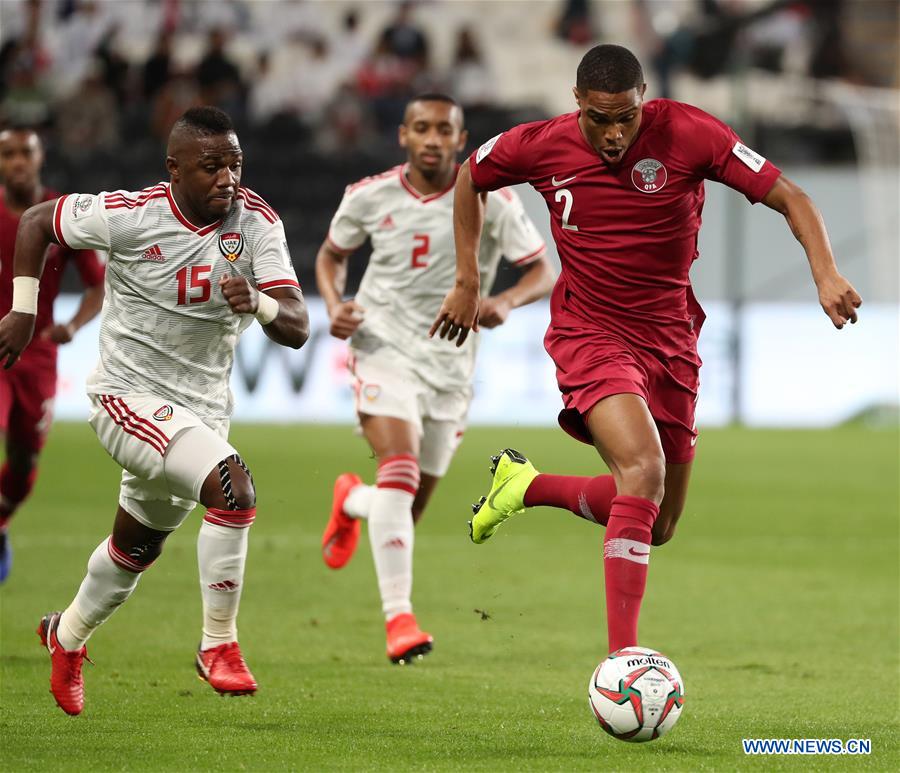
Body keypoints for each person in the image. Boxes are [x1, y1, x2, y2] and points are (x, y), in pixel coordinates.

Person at [431, 44, 861, 656]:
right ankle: (622, 665)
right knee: (643, 471)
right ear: (577, 102)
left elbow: (791, 196)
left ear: (643, 102)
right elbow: (471, 174)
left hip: (671, 339)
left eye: (626, 117)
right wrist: (468, 279)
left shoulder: (689, 131)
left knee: (657, 522)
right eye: (599, 118)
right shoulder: (539, 144)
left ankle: (524, 487)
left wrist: (825, 272)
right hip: (591, 332)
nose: (613, 134)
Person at [0, 106, 309, 714]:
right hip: (125, 396)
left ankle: (65, 638)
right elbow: (37, 222)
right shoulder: (130, 215)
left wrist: (261, 304)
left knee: (133, 551)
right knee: (234, 488)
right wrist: (24, 310)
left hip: (202, 411)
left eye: (235, 165)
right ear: (175, 169)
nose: (228, 178)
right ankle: (218, 645)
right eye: (212, 166)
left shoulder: (257, 223)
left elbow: (297, 326)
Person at [316, 94, 554, 664]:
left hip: (450, 363)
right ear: (402, 135)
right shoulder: (368, 195)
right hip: (383, 346)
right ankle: (399, 620)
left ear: (460, 138)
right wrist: (333, 304)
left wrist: (506, 300)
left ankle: (352, 501)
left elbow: (543, 269)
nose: (431, 139)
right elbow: (330, 256)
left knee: (405, 509)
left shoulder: (493, 198)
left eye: (442, 130)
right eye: (420, 128)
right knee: (399, 473)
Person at [0, 127, 105, 584]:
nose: (18, 162)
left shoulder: (62, 216)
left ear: (40, 159)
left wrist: (73, 325)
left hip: (39, 357)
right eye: (8, 154)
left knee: (23, 461)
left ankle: (1, 522)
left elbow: (98, 285)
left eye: (26, 153)